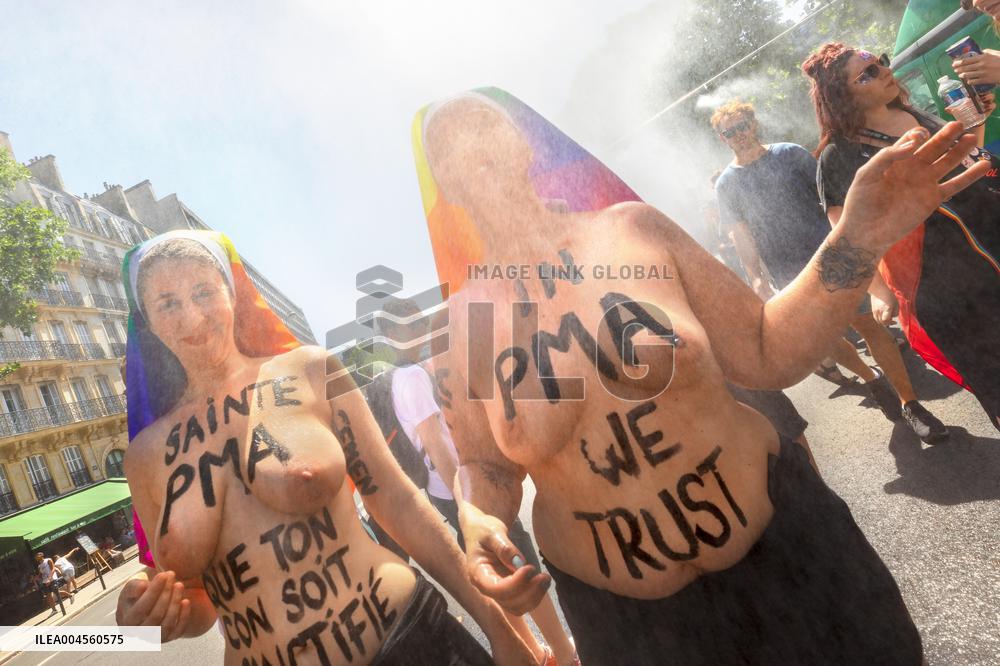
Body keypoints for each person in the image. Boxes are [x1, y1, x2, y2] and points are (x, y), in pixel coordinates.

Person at [411, 87, 987, 664]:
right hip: (637, 630)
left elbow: (765, 350)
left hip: (794, 553)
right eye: (448, 144)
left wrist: (857, 236)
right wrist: (475, 518)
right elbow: (486, 466)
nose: (471, 144)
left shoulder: (630, 232)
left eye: (485, 125)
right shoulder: (469, 323)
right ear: (444, 184)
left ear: (522, 144)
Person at [114, 230, 533, 665]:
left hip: (410, 642)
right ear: (148, 321)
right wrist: (163, 615)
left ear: (232, 294)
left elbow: (399, 502)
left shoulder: (310, 370)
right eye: (168, 303)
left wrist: (498, 628)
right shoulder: (145, 457)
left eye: (203, 292)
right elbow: (200, 600)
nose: (193, 317)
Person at [712, 100, 949, 442]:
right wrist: (756, 276)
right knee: (823, 339)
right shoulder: (726, 185)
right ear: (723, 138)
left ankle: (911, 404)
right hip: (788, 270)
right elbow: (740, 234)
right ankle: (870, 378)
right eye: (730, 131)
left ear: (753, 123)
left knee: (868, 325)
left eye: (742, 126)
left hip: (835, 255)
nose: (739, 135)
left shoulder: (789, 154)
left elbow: (830, 199)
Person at [804, 42, 1000, 432]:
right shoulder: (838, 155)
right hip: (939, 279)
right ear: (842, 95)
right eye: (868, 73)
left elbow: (963, 160)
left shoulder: (908, 113)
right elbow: (845, 230)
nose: (883, 71)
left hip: (987, 236)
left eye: (880, 62)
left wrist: (977, 120)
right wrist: (877, 289)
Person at [378, 297, 579, 666]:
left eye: (419, 318)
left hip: (446, 493)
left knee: (495, 573)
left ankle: (537, 655)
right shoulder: (413, 379)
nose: (420, 327)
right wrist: (470, 507)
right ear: (392, 334)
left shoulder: (399, 378)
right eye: (410, 322)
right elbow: (438, 445)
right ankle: (565, 657)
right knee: (520, 565)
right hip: (465, 490)